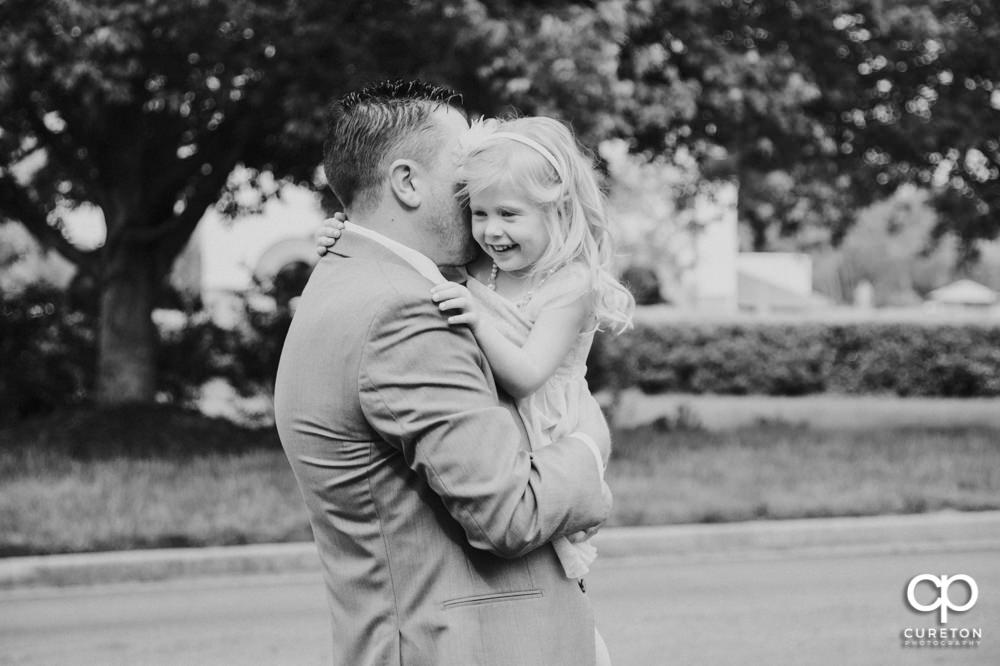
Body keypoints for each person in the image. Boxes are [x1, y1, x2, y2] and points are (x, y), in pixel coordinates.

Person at [274, 80, 613, 666]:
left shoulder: (345, 276)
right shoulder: (403, 311)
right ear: (407, 183)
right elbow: (512, 515)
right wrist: (589, 445)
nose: (474, 187)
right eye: (463, 174)